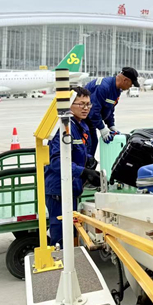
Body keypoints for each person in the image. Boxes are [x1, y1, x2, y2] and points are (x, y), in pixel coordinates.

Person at [44, 87, 100, 247]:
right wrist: (83, 171)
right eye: (81, 104)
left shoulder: (80, 126)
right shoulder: (63, 128)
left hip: (71, 187)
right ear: (69, 104)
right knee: (62, 233)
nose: (86, 108)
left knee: (71, 229)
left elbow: (77, 150)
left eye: (88, 104)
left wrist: (89, 161)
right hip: (59, 190)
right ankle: (60, 259)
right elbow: (56, 161)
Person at [84, 67, 139, 155]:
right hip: (84, 119)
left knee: (93, 142)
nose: (130, 87)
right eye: (131, 84)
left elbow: (109, 109)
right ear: (125, 80)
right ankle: (85, 163)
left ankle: (89, 162)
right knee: (89, 144)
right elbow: (93, 110)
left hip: (91, 120)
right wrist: (102, 128)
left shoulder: (116, 90)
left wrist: (111, 125)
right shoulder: (103, 87)